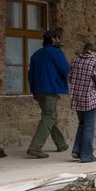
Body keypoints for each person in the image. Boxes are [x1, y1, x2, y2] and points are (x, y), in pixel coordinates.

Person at [27, 29, 70, 158]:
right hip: (51, 89)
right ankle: (35, 147)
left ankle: (61, 144)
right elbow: (66, 70)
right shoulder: (56, 52)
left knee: (50, 117)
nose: (59, 40)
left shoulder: (36, 54)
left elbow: (30, 75)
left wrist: (33, 91)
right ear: (53, 39)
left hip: (39, 90)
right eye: (58, 38)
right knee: (49, 117)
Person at [68, 40, 96, 163]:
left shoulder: (75, 60)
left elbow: (70, 77)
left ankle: (77, 150)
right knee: (89, 126)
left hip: (76, 97)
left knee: (82, 123)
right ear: (95, 51)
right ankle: (87, 155)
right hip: (89, 98)